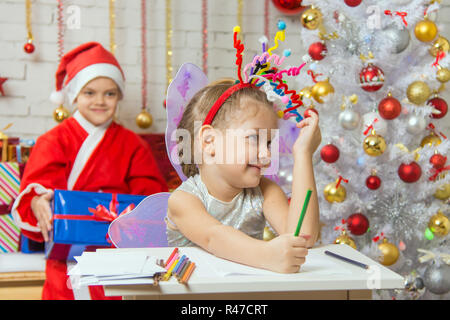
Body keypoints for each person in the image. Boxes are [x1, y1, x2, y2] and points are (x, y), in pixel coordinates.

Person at [12, 42, 168, 299]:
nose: (100, 101)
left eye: (110, 94)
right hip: (65, 260)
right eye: (89, 93)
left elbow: (150, 198)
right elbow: (36, 191)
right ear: (74, 95)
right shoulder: (52, 141)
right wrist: (39, 201)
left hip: (119, 257)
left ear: (119, 97)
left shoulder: (133, 145)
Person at [165, 79, 322, 274]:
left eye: (269, 143)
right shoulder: (183, 200)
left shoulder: (265, 191)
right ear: (210, 141)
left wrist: (303, 153)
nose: (266, 155)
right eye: (255, 138)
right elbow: (214, 237)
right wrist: (268, 255)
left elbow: (303, 237)